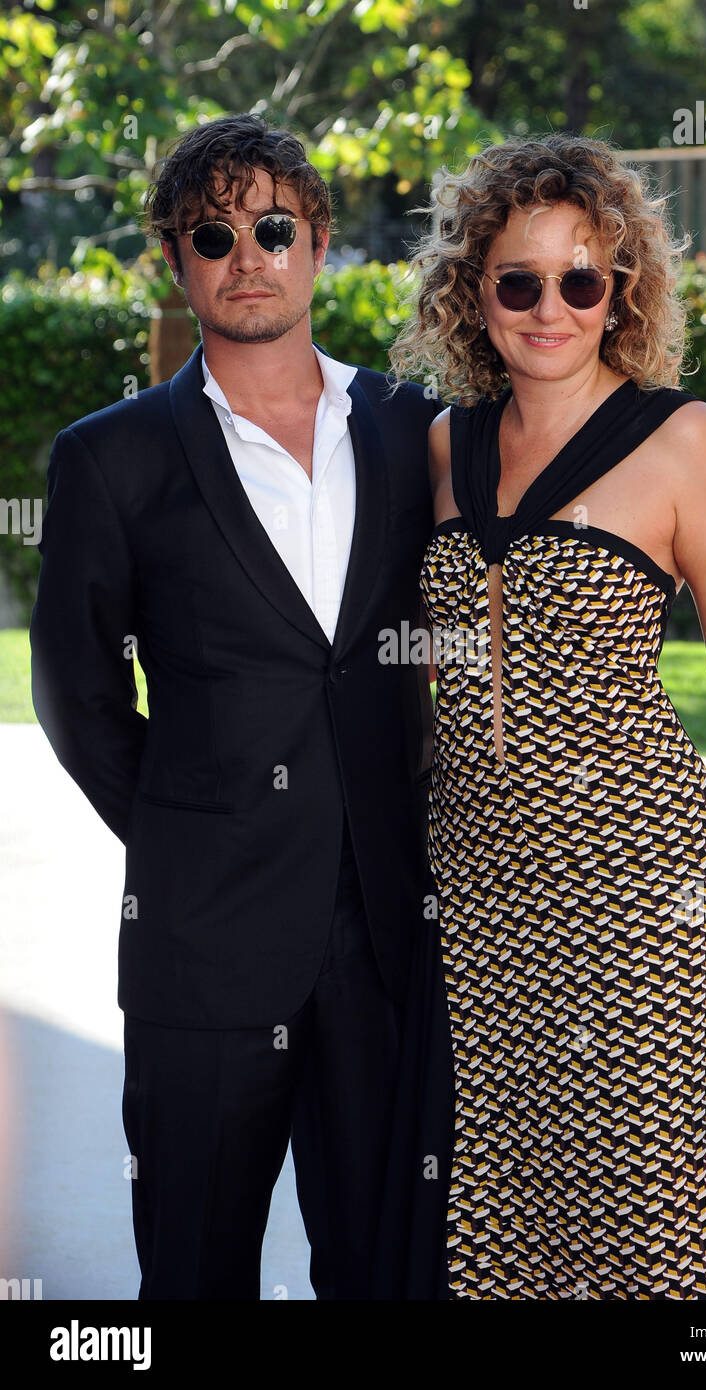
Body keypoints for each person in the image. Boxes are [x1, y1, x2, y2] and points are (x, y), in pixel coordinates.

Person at [386, 133, 706, 1299]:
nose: (550, 309)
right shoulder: (442, 445)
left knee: (665, 1212)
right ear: (472, 293)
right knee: (505, 1210)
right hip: (478, 897)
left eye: (580, 280)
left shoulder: (680, 440)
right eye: (518, 281)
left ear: (618, 289)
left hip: (637, 887)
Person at [29, 113, 439, 1300]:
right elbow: (76, 690)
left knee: (387, 1274)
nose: (245, 255)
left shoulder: (418, 428)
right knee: (194, 1275)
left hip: (387, 941)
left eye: (270, 227)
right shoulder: (111, 457)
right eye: (214, 235)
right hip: (202, 950)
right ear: (177, 258)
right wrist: (192, 831)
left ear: (317, 242)